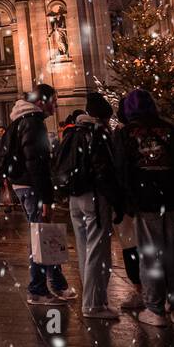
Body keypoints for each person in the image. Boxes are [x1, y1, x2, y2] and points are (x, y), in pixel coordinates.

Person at [114, 88, 174, 328]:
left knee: (151, 254)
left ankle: (154, 308)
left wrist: (129, 196)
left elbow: (120, 170)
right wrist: (171, 177)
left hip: (145, 201)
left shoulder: (125, 134)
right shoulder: (172, 131)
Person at [3, 83, 76, 305]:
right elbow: (37, 163)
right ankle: (37, 288)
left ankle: (57, 283)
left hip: (23, 184)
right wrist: (46, 197)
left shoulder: (19, 121)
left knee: (45, 234)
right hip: (32, 185)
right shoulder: (33, 123)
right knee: (41, 235)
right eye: (53, 101)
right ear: (41, 102)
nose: (55, 107)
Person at [64, 93, 122, 320]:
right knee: (98, 249)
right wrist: (116, 201)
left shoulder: (73, 132)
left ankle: (92, 299)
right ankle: (94, 304)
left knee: (83, 248)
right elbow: (105, 170)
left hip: (74, 196)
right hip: (94, 196)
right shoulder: (99, 133)